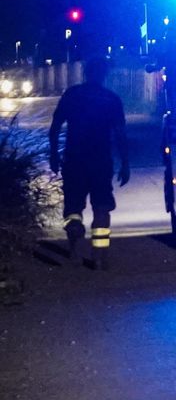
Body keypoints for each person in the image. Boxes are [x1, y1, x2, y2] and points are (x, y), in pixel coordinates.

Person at [48, 58, 129, 269]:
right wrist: (125, 163)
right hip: (101, 161)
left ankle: (74, 250)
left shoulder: (72, 95)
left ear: (85, 72)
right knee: (102, 208)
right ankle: (99, 258)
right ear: (104, 74)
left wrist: (53, 156)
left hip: (74, 160)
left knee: (73, 208)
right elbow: (120, 134)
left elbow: (55, 126)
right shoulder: (111, 99)